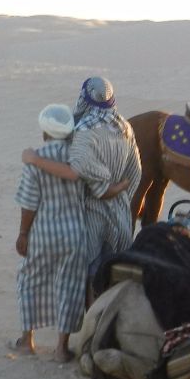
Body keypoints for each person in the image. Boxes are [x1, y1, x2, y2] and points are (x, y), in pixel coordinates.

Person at [21, 76, 141, 293]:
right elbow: (135, 173)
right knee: (117, 278)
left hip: (88, 219)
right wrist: (120, 197)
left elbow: (75, 171)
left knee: (88, 280)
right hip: (121, 218)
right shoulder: (126, 128)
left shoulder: (81, 130)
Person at [11, 105, 88, 361]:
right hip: (74, 232)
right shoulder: (78, 157)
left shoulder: (36, 159)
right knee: (70, 285)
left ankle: (27, 340)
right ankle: (61, 348)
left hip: (43, 231)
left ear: (45, 131)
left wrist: (23, 234)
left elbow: (29, 203)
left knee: (30, 281)